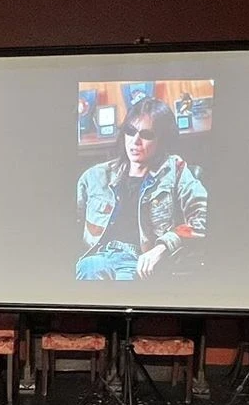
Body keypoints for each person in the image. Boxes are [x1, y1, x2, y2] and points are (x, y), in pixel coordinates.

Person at [76, 96, 207, 281]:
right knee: (90, 267)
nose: (135, 141)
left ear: (162, 140)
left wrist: (162, 247)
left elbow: (204, 216)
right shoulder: (95, 176)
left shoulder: (175, 170)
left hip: (141, 264)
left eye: (146, 135)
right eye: (130, 131)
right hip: (98, 257)